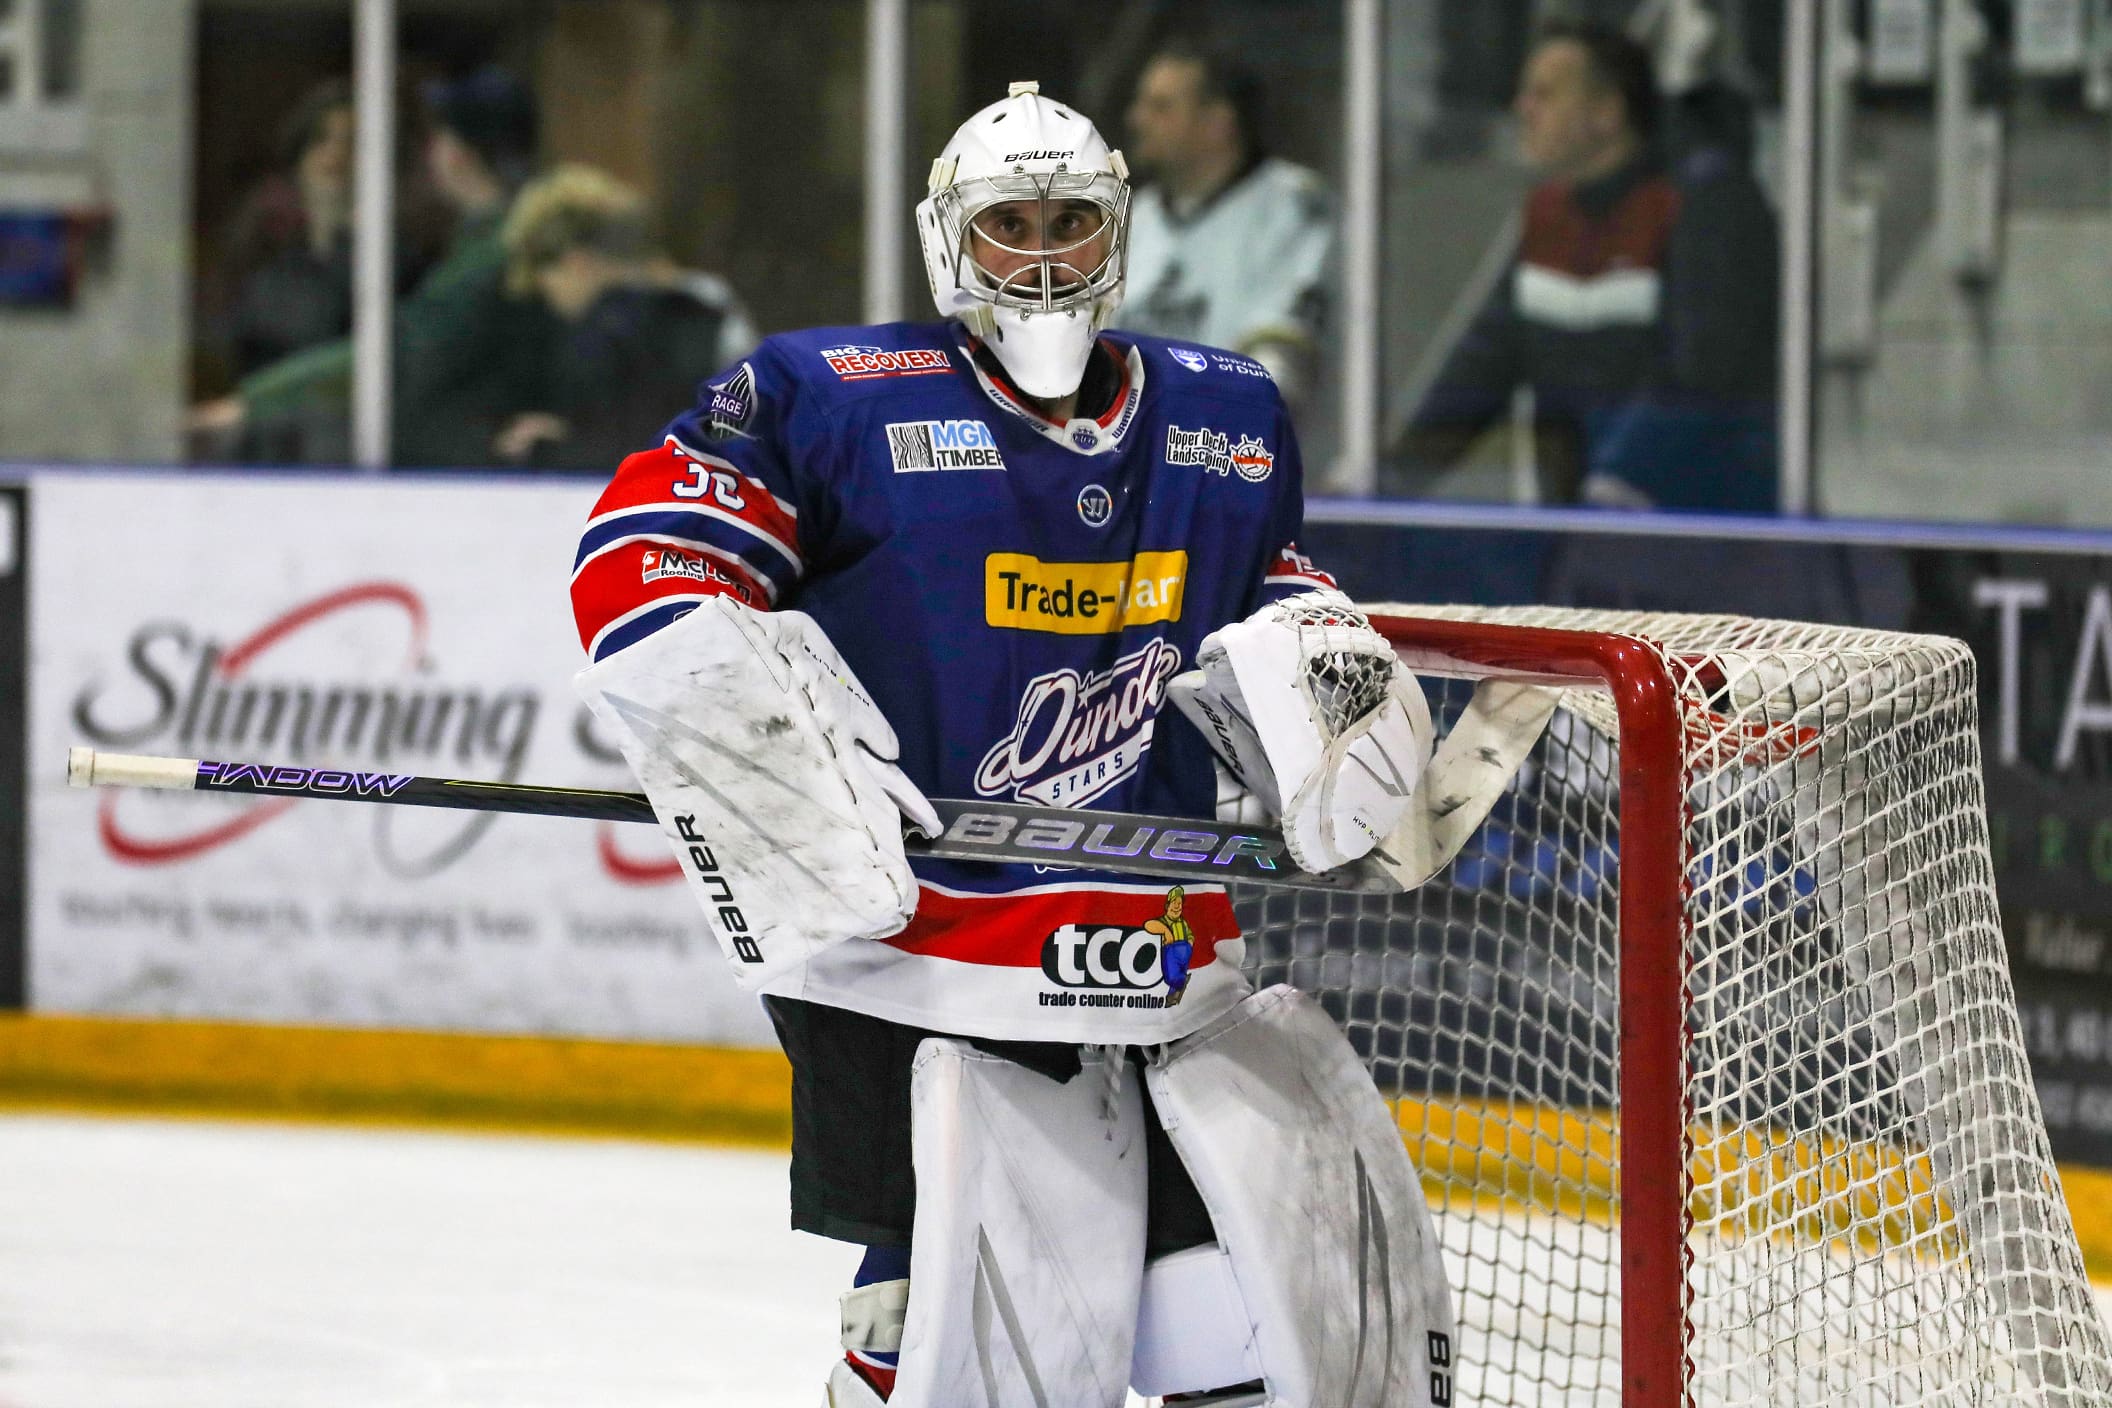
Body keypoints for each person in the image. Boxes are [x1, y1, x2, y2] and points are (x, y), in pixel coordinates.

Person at [569, 82, 1454, 1408]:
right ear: (948, 242)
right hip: (914, 966)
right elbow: (637, 558)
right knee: (958, 1343)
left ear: (1121, 233)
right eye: (1007, 226)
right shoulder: (829, 398)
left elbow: (1268, 581)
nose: (1041, 255)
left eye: (1071, 222)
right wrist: (759, 732)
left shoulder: (1228, 415)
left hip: (1150, 953)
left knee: (1233, 1339)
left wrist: (1312, 663)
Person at [1387, 19, 1779, 511]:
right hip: (1582, 523)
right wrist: (1390, 475)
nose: (1522, 109)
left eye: (1544, 95)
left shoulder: (1703, 206)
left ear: (1606, 113)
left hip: (1698, 529)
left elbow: (1702, 371)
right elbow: (1482, 363)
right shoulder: (1548, 217)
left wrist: (1619, 479)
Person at [191, 66, 555, 468]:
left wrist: (253, 402)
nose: (335, 160)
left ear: (458, 154)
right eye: (321, 143)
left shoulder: (489, 255)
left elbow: (398, 356)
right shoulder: (484, 244)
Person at [1115, 36, 1334, 414]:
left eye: (1161, 108)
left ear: (1218, 123)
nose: (1137, 119)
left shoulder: (1294, 206)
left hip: (1242, 458)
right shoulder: (1129, 222)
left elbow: (1280, 371)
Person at [492, 164, 755, 471]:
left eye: (544, 278)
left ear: (576, 261)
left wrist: (559, 447)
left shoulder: (616, 330)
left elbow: (643, 442)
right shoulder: (711, 303)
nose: (549, 298)